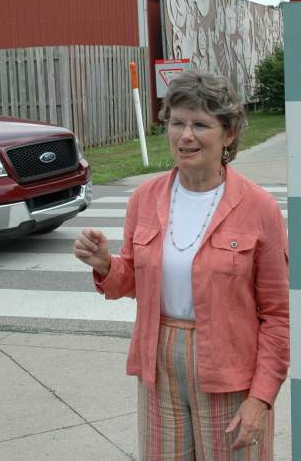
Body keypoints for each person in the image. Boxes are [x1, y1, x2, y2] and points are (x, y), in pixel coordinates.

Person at [73, 71, 289, 460]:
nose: (185, 136)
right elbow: (137, 280)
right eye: (177, 122)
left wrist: (261, 399)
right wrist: (107, 265)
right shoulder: (145, 197)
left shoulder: (260, 208)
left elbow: (277, 315)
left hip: (230, 367)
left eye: (200, 124)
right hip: (159, 363)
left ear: (229, 133)